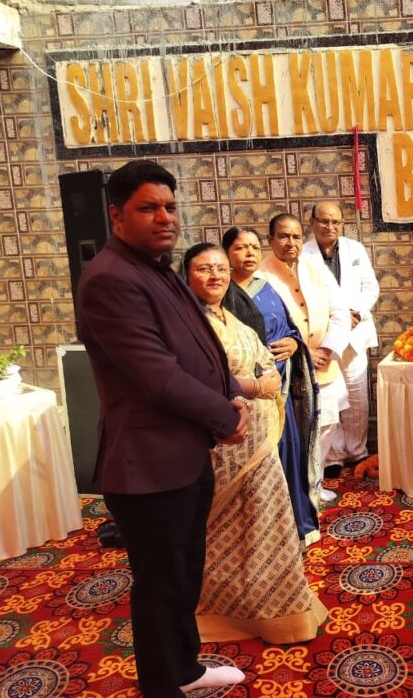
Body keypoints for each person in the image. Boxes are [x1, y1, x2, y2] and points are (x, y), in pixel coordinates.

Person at [76, 159, 248, 696]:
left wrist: (232, 392)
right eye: (148, 208)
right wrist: (225, 416)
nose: (165, 218)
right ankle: (162, 685)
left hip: (182, 455)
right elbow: (158, 375)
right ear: (116, 215)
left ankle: (185, 670)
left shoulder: (155, 268)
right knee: (160, 585)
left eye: (170, 207)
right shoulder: (110, 278)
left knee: (183, 574)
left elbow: (198, 346)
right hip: (147, 467)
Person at [183, 243, 329, 644]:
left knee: (267, 520)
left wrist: (268, 378)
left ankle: (276, 606)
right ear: (186, 277)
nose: (215, 275)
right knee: (226, 527)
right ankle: (225, 608)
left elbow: (263, 357)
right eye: (203, 269)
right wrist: (254, 386)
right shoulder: (189, 324)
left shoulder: (231, 316)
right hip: (224, 441)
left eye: (220, 268)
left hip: (260, 439)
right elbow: (196, 377)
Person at [223, 226, 321, 544]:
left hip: (279, 390)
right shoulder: (220, 294)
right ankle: (260, 536)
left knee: (286, 454)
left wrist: (294, 344)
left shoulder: (266, 288)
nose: (249, 253)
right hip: (244, 395)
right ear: (227, 254)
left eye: (254, 247)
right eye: (241, 247)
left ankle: (294, 527)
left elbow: (290, 329)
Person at [261, 213, 350, 502]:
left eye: (296, 237)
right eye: (283, 236)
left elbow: (339, 311)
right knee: (295, 431)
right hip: (289, 366)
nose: (290, 242)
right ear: (270, 239)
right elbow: (265, 327)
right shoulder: (260, 276)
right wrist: (303, 352)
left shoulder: (315, 268)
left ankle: (315, 483)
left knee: (327, 425)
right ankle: (294, 491)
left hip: (325, 363)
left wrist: (327, 349)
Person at [301, 201, 379, 476]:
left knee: (357, 397)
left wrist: (354, 312)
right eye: (323, 221)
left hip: (355, 331)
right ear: (311, 223)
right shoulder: (303, 254)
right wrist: (338, 317)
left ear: (342, 223)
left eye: (335, 221)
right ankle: (333, 456)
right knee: (330, 396)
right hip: (324, 336)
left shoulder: (355, 249)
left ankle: (357, 451)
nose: (330, 227)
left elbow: (370, 287)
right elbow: (306, 295)